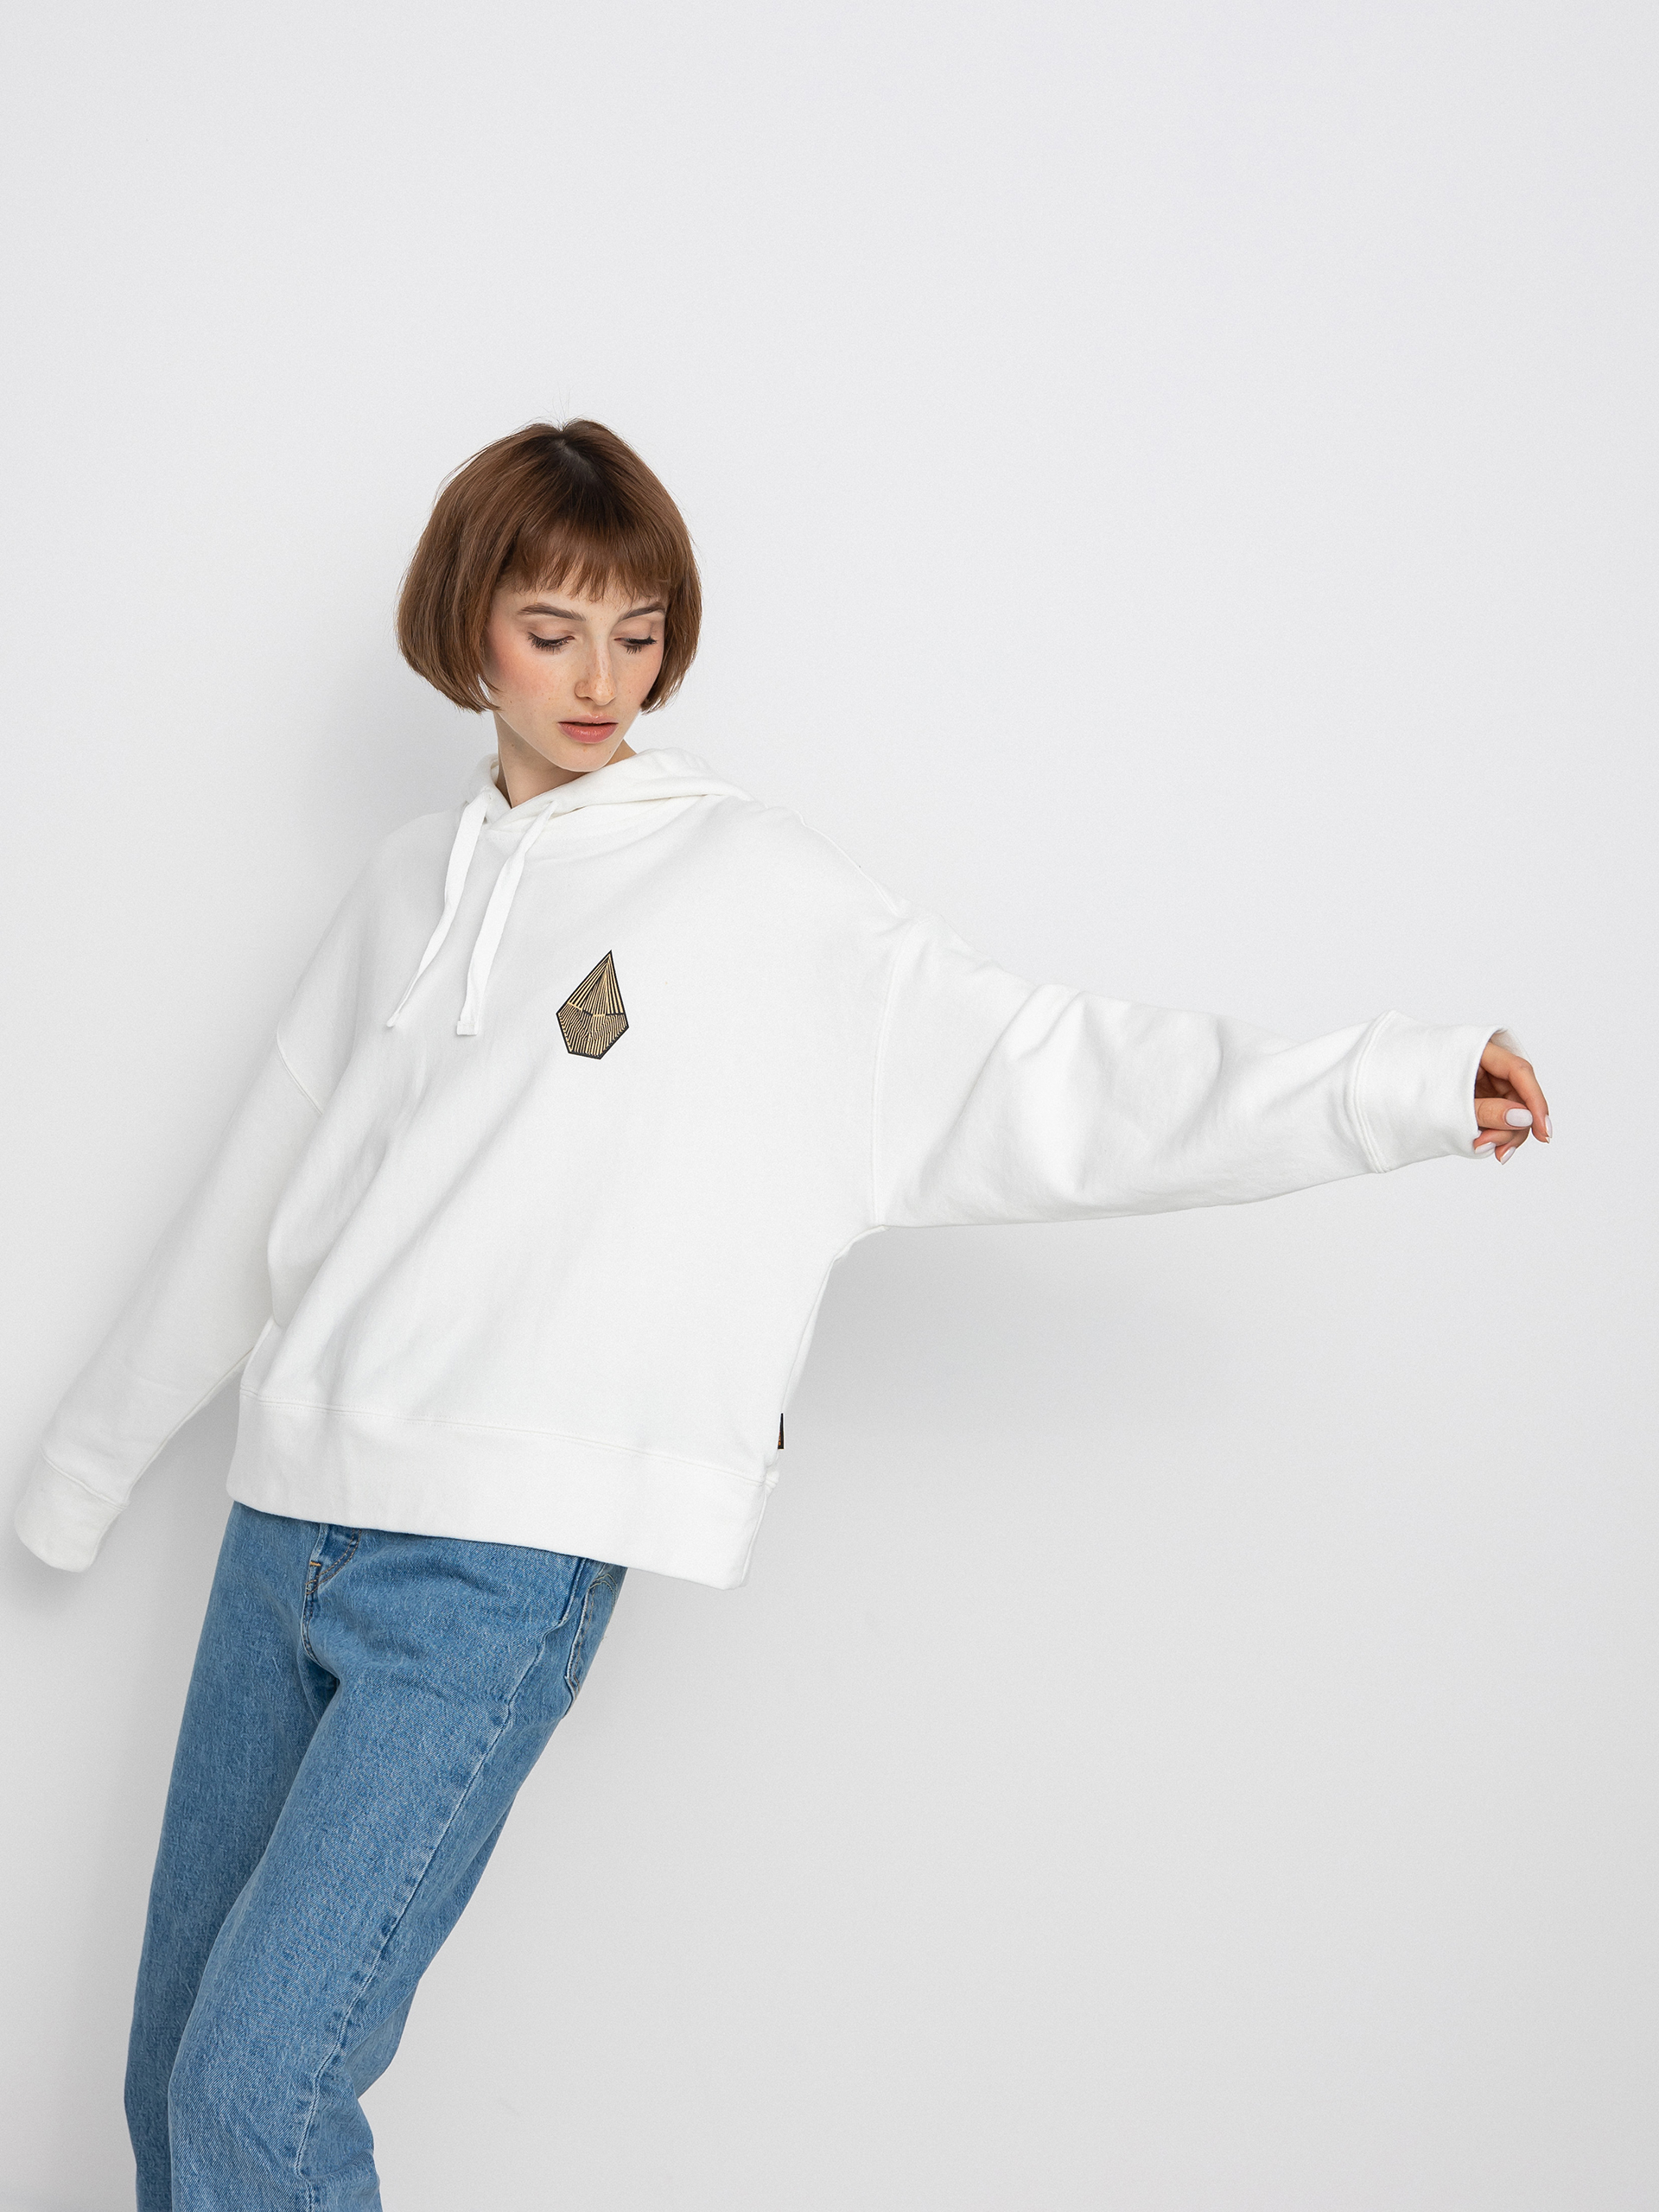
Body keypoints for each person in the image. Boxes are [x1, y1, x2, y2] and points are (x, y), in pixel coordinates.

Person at [14, 419, 1552, 2211]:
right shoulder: (402, 890)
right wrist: (86, 1467)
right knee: (171, 2080)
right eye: (552, 629)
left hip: (490, 1566)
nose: (601, 679)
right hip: (280, 1528)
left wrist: (1395, 1086)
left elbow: (1050, 1070)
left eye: (639, 631)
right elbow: (248, 1207)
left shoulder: (748, 891)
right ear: (467, 628)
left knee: (256, 2095)